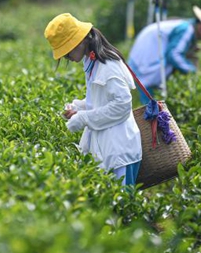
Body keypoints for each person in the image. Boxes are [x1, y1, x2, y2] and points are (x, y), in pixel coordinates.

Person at [44, 13, 142, 186]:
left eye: (67, 52)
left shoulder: (107, 65)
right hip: (107, 148)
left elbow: (122, 105)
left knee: (122, 207)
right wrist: (79, 107)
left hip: (119, 152)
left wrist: (83, 118)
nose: (66, 57)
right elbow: (102, 99)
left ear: (80, 41)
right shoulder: (92, 61)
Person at [127, 6, 201, 104]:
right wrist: (194, 72)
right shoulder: (187, 30)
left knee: (149, 106)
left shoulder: (184, 25)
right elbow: (173, 55)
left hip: (139, 61)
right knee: (151, 108)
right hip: (147, 65)